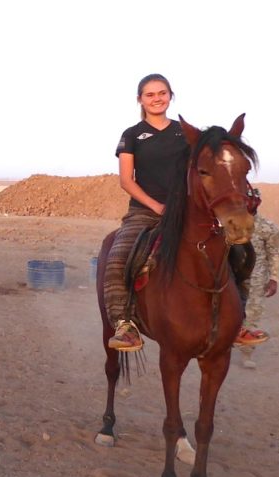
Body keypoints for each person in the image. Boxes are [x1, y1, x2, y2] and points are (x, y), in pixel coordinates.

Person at [105, 73, 189, 351]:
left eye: (162, 93)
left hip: (185, 211)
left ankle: (240, 320)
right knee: (117, 257)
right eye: (150, 94)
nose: (157, 99)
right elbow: (126, 180)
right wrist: (157, 206)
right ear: (140, 99)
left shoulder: (186, 133)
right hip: (144, 213)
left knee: (235, 247)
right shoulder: (131, 135)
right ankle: (125, 325)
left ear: (171, 96)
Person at [236, 213, 279, 368]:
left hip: (256, 279)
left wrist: (274, 278)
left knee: (252, 314)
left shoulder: (268, 227)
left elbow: (274, 253)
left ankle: (247, 352)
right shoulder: (230, 223)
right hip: (233, 276)